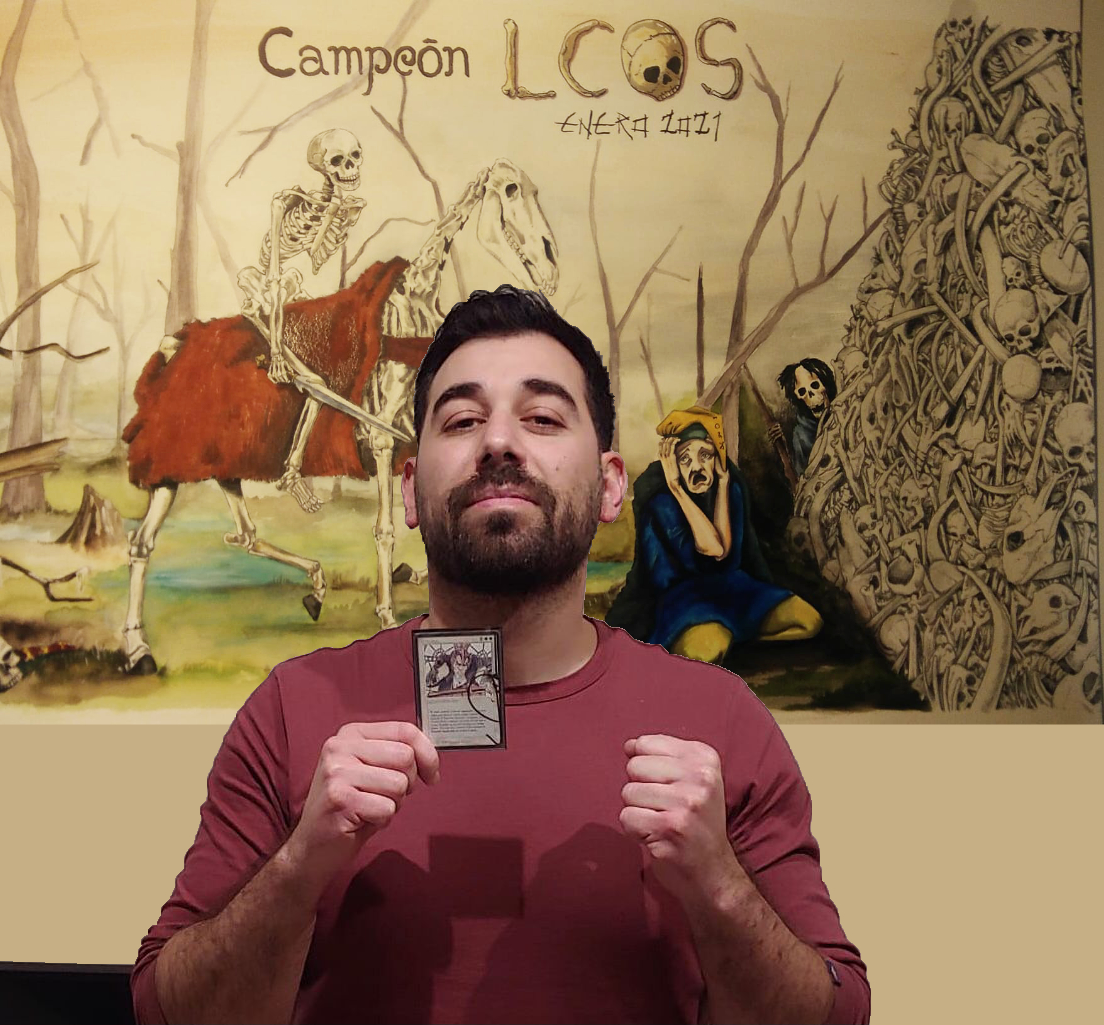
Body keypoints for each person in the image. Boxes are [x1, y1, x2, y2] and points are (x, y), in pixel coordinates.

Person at [131, 286, 869, 1024]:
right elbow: (165, 1013)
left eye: (542, 417)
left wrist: (720, 884)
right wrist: (298, 868)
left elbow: (838, 1015)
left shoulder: (720, 719)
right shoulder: (294, 710)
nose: (498, 443)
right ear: (409, 490)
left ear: (612, 485)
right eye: (462, 420)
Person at [606, 406, 823, 664]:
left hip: (732, 589)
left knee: (810, 622)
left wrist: (722, 482)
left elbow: (725, 552)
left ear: (717, 457)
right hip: (686, 599)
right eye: (685, 459)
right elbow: (712, 548)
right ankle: (721, 641)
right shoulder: (662, 503)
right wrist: (676, 488)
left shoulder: (730, 489)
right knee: (709, 649)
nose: (696, 467)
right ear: (673, 465)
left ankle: (738, 640)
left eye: (705, 455)